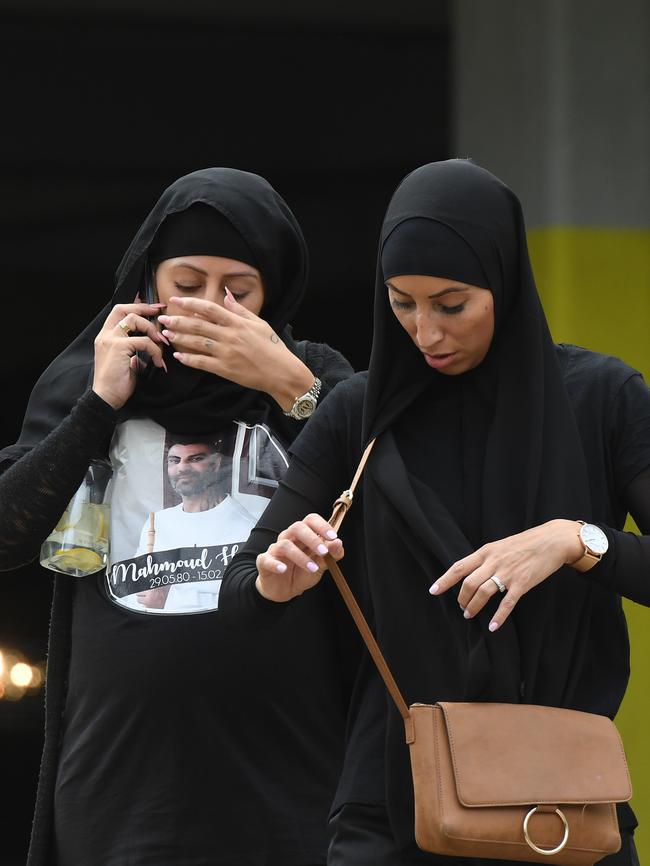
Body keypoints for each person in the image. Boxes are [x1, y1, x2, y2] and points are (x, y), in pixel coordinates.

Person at [220, 159, 649, 865]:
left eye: (452, 305)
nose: (426, 332)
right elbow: (241, 598)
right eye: (402, 302)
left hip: (561, 806)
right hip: (391, 807)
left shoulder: (602, 400)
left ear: (505, 283)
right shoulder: (357, 415)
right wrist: (276, 577)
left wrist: (577, 540)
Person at [0, 167, 355, 866]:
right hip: (120, 781)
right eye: (186, 285)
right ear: (147, 282)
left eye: (238, 291)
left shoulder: (314, 377)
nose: (210, 307)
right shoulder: (95, 378)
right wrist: (97, 404)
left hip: (289, 774)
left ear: (274, 291)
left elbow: (400, 516)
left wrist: (293, 387)